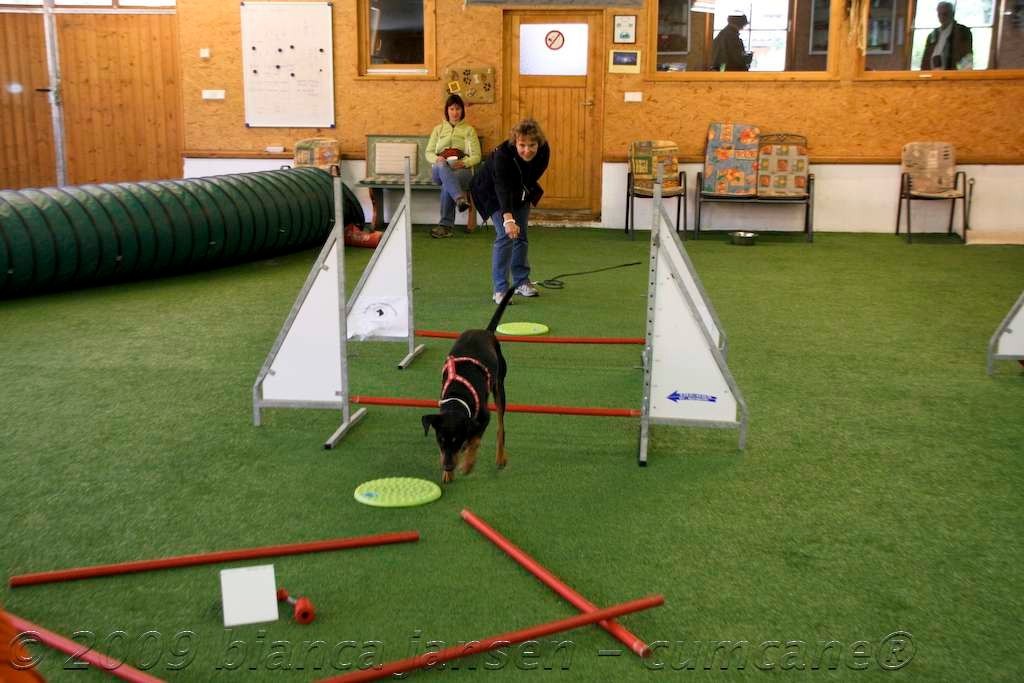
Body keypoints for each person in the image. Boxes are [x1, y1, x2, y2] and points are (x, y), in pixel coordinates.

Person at [470, 118, 550, 304]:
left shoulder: (545, 150)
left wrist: (521, 195)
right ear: (515, 142)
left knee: (520, 235)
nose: (527, 150)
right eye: (522, 145)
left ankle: (521, 282)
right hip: (491, 191)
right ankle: (500, 290)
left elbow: (532, 174)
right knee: (506, 235)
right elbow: (501, 187)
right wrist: (508, 219)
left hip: (518, 190)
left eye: (532, 145)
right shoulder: (502, 156)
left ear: (539, 143)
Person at [425, 93, 482, 238]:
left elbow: (477, 156)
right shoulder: (438, 130)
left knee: (447, 184)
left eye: (458, 109)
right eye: (452, 109)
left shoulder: (469, 130)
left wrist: (464, 162)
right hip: (440, 169)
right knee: (443, 169)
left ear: (462, 110)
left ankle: (445, 227)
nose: (455, 112)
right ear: (447, 110)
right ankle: (459, 199)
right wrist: (438, 159)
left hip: (461, 171)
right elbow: (428, 152)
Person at [920, 2, 973, 70]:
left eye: (945, 14)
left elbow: (966, 56)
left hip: (952, 75)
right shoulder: (932, 35)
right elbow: (926, 59)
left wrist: (963, 75)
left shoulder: (962, 31)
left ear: (952, 14)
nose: (942, 17)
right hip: (932, 75)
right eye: (940, 14)